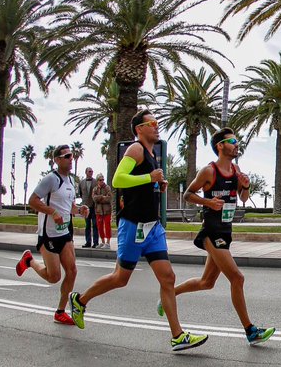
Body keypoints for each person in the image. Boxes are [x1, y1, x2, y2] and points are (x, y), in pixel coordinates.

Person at [68, 109, 207, 351]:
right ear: (139, 129)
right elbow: (118, 180)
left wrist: (157, 186)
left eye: (157, 122)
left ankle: (178, 336)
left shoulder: (152, 154)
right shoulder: (136, 149)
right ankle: (80, 301)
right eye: (152, 123)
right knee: (120, 279)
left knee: (168, 277)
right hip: (133, 225)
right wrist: (149, 178)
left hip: (152, 227)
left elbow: (143, 182)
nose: (157, 126)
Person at [162, 128, 274, 346]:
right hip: (211, 231)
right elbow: (188, 195)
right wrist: (208, 203)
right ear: (220, 146)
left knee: (207, 282)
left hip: (226, 231)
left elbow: (243, 198)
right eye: (232, 141)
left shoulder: (236, 169)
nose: (236, 144)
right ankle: (250, 331)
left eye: (237, 140)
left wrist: (246, 186)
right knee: (237, 278)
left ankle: (169, 295)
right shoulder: (209, 171)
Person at [16, 144, 88, 325]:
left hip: (65, 233)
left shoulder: (71, 181)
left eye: (72, 155)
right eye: (67, 156)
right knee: (54, 277)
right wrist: (51, 212)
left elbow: (69, 207)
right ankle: (29, 261)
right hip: (48, 234)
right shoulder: (51, 179)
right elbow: (32, 201)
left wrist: (80, 210)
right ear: (57, 160)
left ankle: (60, 312)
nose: (71, 158)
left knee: (72, 271)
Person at [78, 167, 97, 248]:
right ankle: (88, 242)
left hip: (94, 206)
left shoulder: (96, 182)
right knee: (87, 225)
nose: (91, 173)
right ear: (86, 172)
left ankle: (96, 243)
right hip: (86, 207)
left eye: (92, 171)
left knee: (95, 225)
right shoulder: (81, 182)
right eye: (89, 171)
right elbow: (80, 193)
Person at [92, 176, 113, 249]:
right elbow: (94, 198)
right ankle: (103, 241)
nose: (102, 181)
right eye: (100, 180)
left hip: (107, 211)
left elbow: (109, 198)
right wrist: (102, 197)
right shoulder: (95, 189)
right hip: (99, 211)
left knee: (107, 226)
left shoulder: (107, 188)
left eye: (103, 180)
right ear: (97, 181)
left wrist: (100, 199)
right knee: (99, 226)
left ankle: (108, 242)